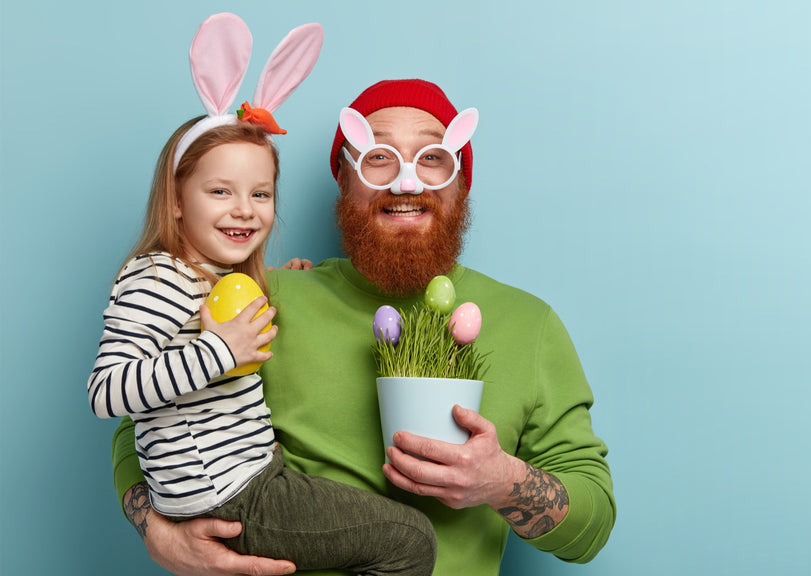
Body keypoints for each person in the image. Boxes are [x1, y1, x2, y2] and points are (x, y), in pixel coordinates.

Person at [110, 79, 616, 576]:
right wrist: (160, 534)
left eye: (432, 157)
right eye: (378, 157)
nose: (405, 183)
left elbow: (592, 528)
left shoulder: (530, 325)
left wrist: (503, 482)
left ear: (461, 181)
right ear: (344, 181)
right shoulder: (270, 300)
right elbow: (145, 423)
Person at [92, 16, 436, 576]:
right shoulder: (156, 277)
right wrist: (219, 352)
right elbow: (107, 392)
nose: (244, 209)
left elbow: (208, 314)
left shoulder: (206, 275)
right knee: (409, 538)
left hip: (251, 472)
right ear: (176, 200)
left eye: (260, 193)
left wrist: (284, 277)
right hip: (231, 494)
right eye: (220, 191)